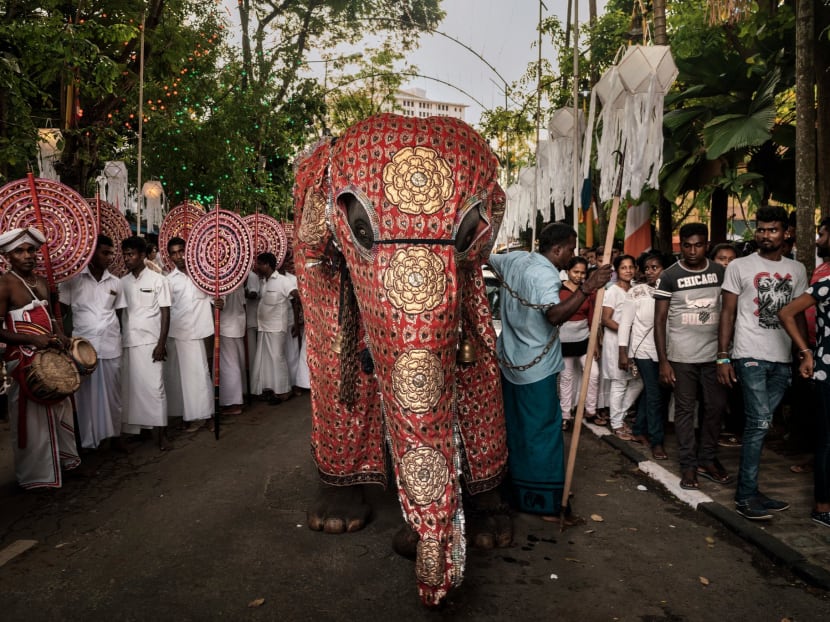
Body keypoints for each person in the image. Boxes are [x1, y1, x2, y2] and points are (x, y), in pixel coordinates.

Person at [489, 223, 611, 522]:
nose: (573, 254)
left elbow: (485, 257)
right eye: (570, 248)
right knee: (543, 433)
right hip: (536, 369)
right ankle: (545, 505)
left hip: (509, 363)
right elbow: (554, 315)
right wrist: (587, 288)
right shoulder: (545, 274)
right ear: (556, 249)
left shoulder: (515, 259)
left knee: (518, 430)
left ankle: (517, 493)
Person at [717, 206, 808, 520]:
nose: (765, 235)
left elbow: (796, 315)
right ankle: (745, 497)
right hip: (749, 354)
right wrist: (723, 356)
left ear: (786, 233)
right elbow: (726, 314)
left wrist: (803, 353)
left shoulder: (797, 270)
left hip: (782, 358)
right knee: (758, 423)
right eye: (761, 229)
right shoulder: (739, 266)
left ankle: (753, 490)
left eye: (772, 230)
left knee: (762, 425)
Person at [0, 227, 81, 488]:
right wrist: (32, 339)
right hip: (23, 360)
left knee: (61, 408)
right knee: (34, 420)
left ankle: (65, 462)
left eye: (31, 250)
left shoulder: (42, 282)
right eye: (19, 251)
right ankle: (38, 477)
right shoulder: (3, 284)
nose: (27, 255)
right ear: (7, 257)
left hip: (50, 356)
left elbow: (52, 319)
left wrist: (61, 335)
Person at [654, 223, 731, 491]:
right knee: (686, 411)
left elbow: (729, 312)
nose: (692, 250)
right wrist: (664, 361)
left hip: (714, 355)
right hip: (681, 357)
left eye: (698, 245)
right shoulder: (669, 275)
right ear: (681, 246)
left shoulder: (720, 272)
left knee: (716, 407)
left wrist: (726, 355)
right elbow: (660, 320)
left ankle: (707, 459)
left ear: (707, 245)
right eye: (687, 245)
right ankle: (688, 464)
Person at [59, 234, 126, 451]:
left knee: (113, 393)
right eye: (105, 253)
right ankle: (89, 441)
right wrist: (63, 342)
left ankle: (114, 435)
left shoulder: (116, 282)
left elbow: (121, 314)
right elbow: (60, 312)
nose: (109, 257)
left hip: (110, 345)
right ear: (92, 252)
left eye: (111, 253)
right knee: (85, 397)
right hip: (82, 348)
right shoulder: (73, 280)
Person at [778, 249, 830, 528]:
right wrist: (806, 351)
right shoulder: (825, 284)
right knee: (828, 441)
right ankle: (822, 506)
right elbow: (786, 312)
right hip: (827, 370)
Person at [116, 236, 171, 450]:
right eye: (125, 254)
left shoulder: (159, 280)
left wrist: (161, 344)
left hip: (151, 343)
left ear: (142, 255)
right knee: (131, 389)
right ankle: (138, 430)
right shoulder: (122, 282)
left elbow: (166, 313)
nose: (127, 258)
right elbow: (120, 315)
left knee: (155, 388)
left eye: (131, 254)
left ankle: (161, 433)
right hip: (129, 343)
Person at [618, 251, 670, 460]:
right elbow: (625, 323)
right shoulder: (637, 292)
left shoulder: (672, 289)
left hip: (666, 351)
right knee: (655, 393)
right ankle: (657, 441)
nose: (649, 272)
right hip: (643, 350)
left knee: (655, 393)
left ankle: (639, 429)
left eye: (654, 267)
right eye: (646, 268)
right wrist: (623, 352)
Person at [164, 237, 215, 431]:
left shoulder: (203, 274)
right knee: (180, 377)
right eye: (174, 253)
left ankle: (207, 414)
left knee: (201, 374)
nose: (178, 256)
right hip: (178, 333)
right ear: (169, 256)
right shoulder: (168, 280)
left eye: (181, 251)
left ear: (189, 250)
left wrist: (220, 303)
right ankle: (189, 414)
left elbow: (215, 298)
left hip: (199, 332)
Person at [558, 256, 604, 428]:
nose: (579, 276)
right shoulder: (558, 290)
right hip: (564, 341)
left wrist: (596, 343)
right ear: (568, 271)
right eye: (575, 272)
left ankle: (590, 411)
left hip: (584, 339)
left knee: (593, 374)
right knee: (566, 378)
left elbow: (592, 318)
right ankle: (565, 415)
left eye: (582, 273)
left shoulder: (589, 292)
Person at [601, 254, 642, 439]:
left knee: (637, 380)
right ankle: (617, 423)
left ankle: (620, 416)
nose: (628, 270)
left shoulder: (635, 290)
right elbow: (605, 319)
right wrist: (627, 329)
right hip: (616, 341)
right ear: (617, 271)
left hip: (634, 342)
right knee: (619, 383)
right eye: (624, 267)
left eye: (631, 267)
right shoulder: (612, 291)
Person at [251, 252, 299, 404]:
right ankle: (269, 388)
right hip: (264, 327)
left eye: (259, 264)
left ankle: (285, 391)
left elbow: (296, 298)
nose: (257, 266)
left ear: (267, 265)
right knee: (265, 359)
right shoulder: (263, 282)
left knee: (278, 358)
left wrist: (297, 323)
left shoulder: (283, 281)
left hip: (277, 326)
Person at [709, 242, 744, 449]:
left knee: (734, 392)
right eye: (722, 259)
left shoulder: (741, 285)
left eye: (731, 259)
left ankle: (735, 431)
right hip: (707, 347)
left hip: (735, 347)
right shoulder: (706, 284)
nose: (726, 263)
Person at [218, 283, 246, 414]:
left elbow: (221, 305)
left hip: (226, 327)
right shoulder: (238, 281)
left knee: (229, 366)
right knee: (236, 363)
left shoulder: (223, 283)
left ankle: (234, 403)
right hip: (238, 325)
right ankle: (237, 397)